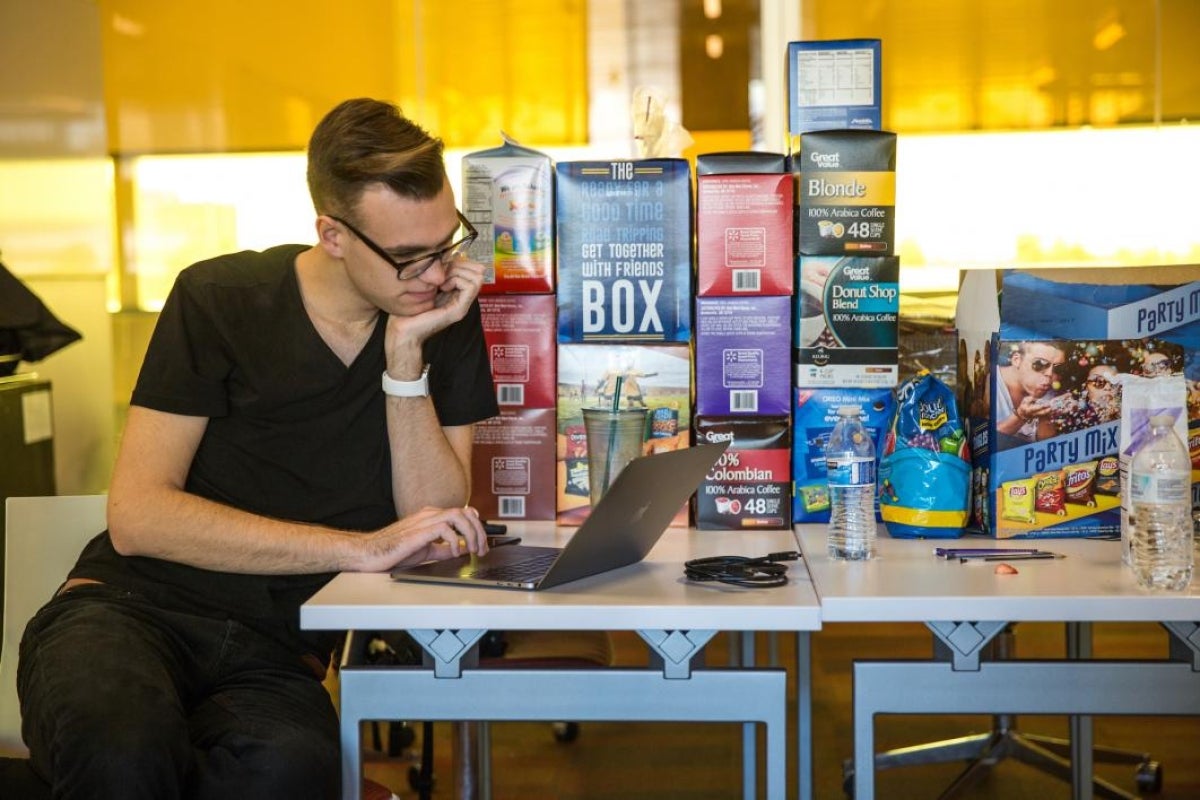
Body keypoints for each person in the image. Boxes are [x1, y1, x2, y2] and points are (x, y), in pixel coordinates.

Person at [16, 98, 499, 799]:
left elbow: (433, 522)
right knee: (124, 753)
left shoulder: (439, 318)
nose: (434, 274)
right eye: (406, 257)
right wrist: (355, 549)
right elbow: (138, 516)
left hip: (275, 654)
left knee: (286, 772)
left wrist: (403, 365)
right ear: (331, 235)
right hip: (127, 611)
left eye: (446, 242)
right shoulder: (219, 299)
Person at [994, 340, 1067, 447]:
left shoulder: (1050, 393)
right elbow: (987, 442)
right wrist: (1020, 416)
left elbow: (1045, 445)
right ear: (1016, 360)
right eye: (1039, 364)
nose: (1049, 374)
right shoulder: (989, 382)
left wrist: (1046, 418)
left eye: (1058, 368)